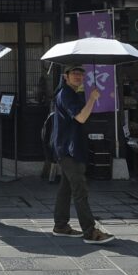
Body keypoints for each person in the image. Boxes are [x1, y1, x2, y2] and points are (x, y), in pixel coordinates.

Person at [51, 65, 114, 244]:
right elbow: (81, 117)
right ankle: (90, 231)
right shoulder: (66, 94)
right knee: (80, 189)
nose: (78, 76)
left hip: (69, 147)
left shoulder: (72, 93)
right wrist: (92, 99)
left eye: (80, 74)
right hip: (68, 149)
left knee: (66, 189)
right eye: (74, 73)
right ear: (66, 76)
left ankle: (60, 225)